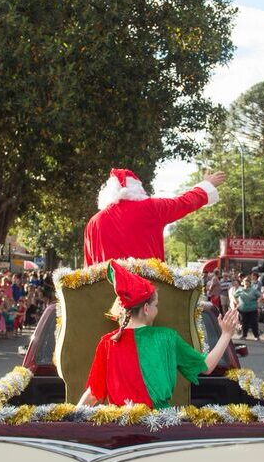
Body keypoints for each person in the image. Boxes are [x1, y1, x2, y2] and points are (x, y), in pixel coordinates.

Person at [77, 261, 238, 409]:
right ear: (146, 309)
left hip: (119, 432)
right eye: (156, 305)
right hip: (160, 430)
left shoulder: (107, 342)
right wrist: (226, 333)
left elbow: (92, 395)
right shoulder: (166, 337)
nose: (157, 309)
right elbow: (207, 366)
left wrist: (69, 419)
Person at [83, 169, 224, 265]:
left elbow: (88, 267)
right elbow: (183, 202)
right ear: (137, 188)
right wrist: (206, 185)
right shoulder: (151, 208)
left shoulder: (93, 222)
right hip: (147, 296)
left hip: (106, 298)